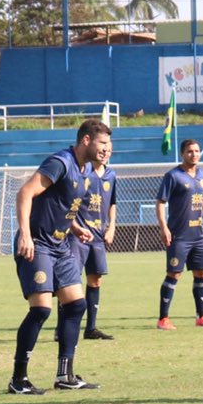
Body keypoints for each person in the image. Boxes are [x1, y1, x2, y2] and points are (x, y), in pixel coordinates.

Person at [10, 117, 107, 394]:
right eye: (102, 143)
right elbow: (25, 193)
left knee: (76, 305)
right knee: (40, 309)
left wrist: (75, 228)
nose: (105, 149)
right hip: (38, 243)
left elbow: (63, 204)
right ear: (86, 140)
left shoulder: (85, 169)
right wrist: (25, 235)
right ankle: (18, 379)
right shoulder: (60, 162)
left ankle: (65, 375)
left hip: (61, 245)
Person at [155, 139, 203, 330]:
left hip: (198, 235)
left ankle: (202, 316)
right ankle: (163, 319)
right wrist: (164, 227)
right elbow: (160, 202)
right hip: (179, 235)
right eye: (190, 151)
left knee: (201, 272)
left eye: (197, 151)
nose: (194, 154)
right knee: (174, 274)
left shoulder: (202, 174)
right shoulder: (173, 176)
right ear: (182, 154)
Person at [79, 137, 119, 341]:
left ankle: (90, 328)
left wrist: (111, 227)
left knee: (95, 280)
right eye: (103, 148)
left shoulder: (111, 175)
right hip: (78, 236)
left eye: (109, 150)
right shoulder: (82, 171)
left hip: (98, 236)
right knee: (70, 282)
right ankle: (61, 329)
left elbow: (112, 203)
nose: (106, 152)